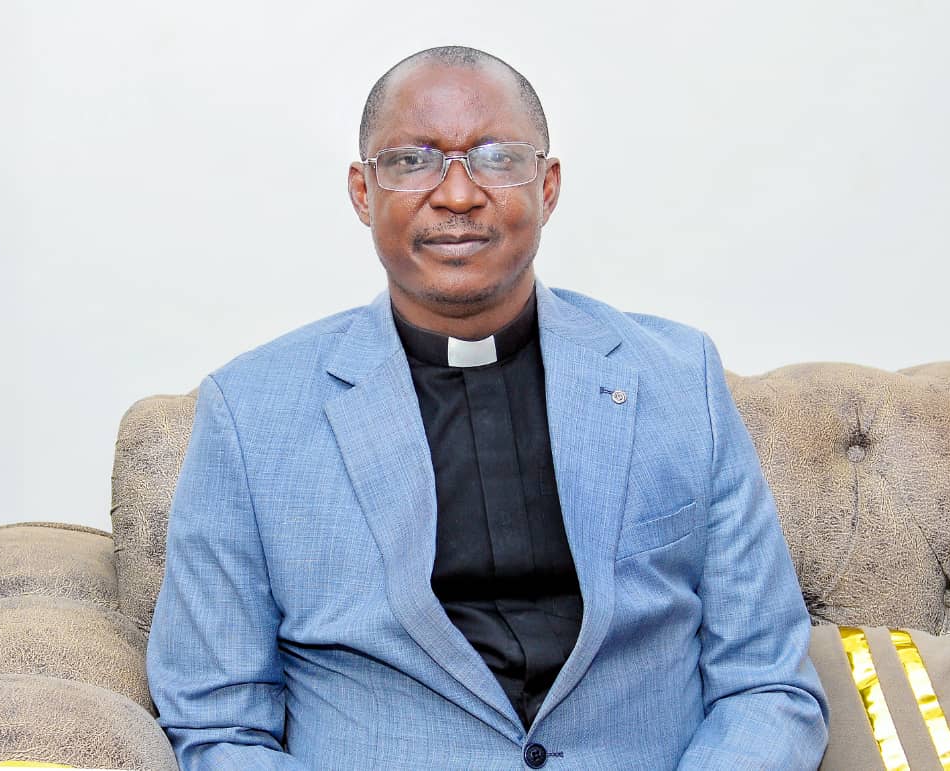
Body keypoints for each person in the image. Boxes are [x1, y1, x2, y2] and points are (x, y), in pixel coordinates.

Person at [146, 45, 829, 769]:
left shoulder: (679, 378)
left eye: (496, 157)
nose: (457, 194)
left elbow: (767, 681)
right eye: (412, 161)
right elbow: (218, 725)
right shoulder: (250, 415)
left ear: (548, 186)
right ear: (362, 192)